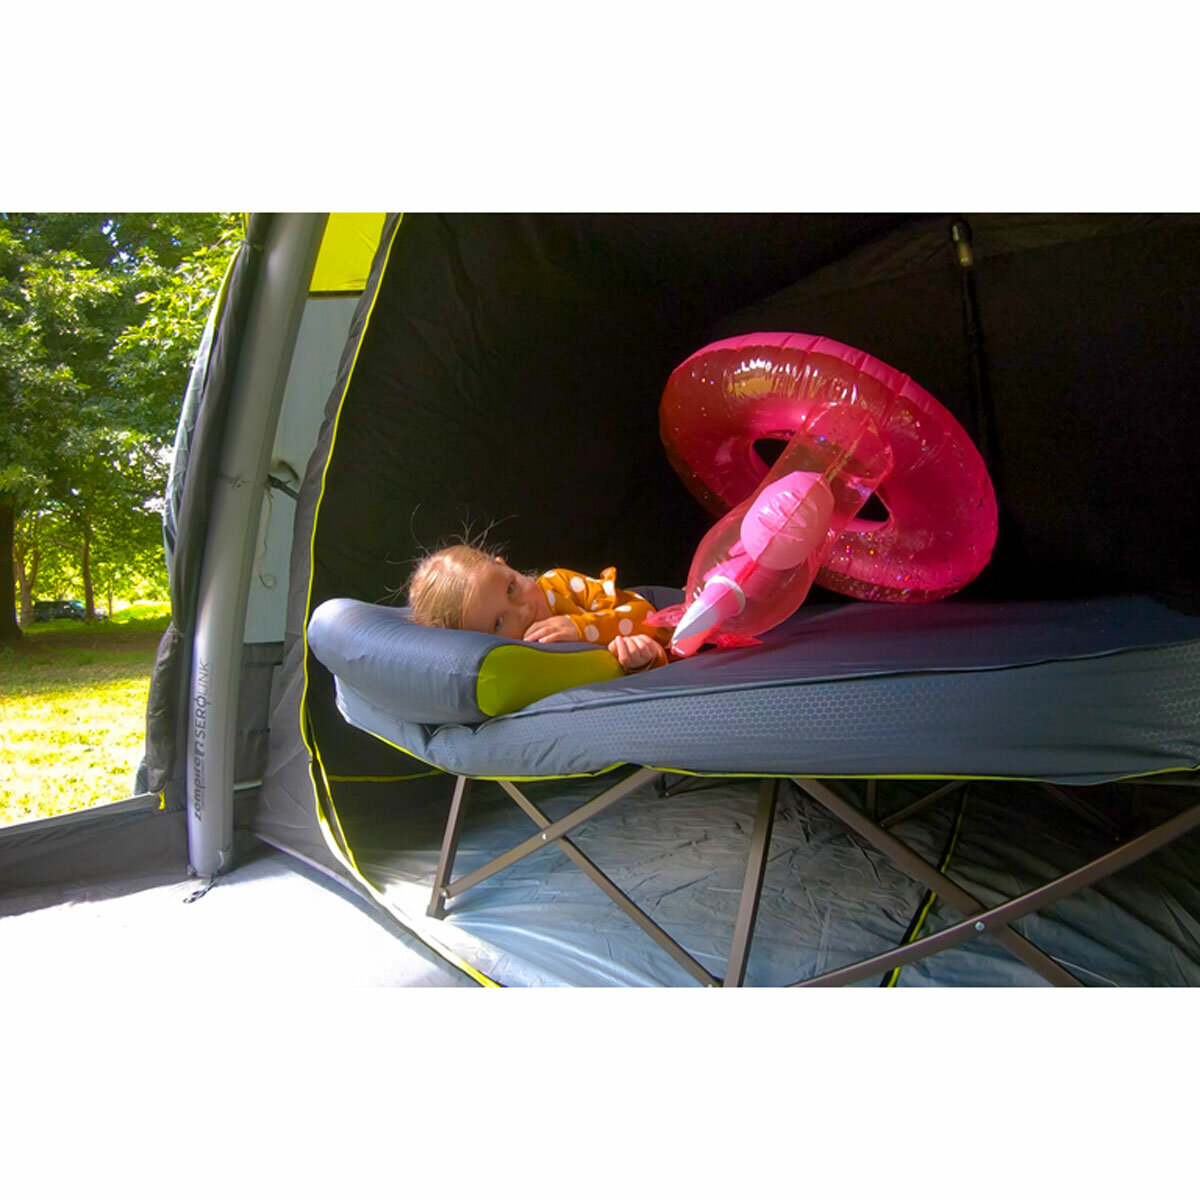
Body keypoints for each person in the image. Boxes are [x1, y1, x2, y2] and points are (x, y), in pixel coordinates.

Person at [405, 542, 672, 672]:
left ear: (505, 565)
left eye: (511, 588)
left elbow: (648, 615)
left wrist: (581, 628)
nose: (522, 610)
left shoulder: (558, 585)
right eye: (498, 622)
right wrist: (640, 661)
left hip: (668, 618)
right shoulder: (523, 660)